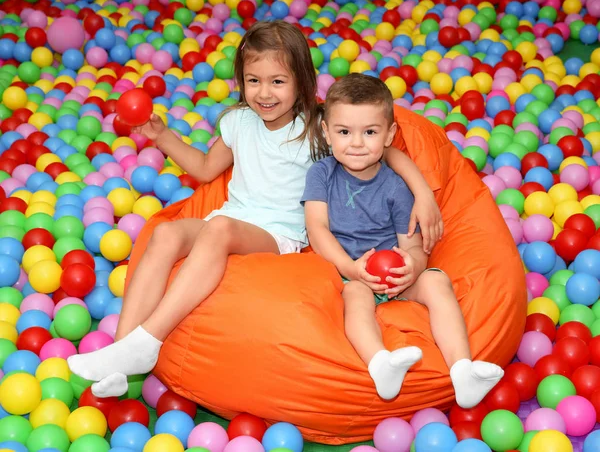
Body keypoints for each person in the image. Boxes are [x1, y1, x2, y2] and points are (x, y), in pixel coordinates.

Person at [67, 22, 443, 398]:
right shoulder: (238, 121)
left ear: (301, 82)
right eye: (253, 80)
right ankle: (123, 352)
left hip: (278, 234)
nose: (264, 93)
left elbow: (379, 149)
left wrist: (422, 192)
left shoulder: (314, 126)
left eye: (278, 81)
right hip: (231, 218)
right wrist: (162, 136)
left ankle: (149, 340)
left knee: (220, 229)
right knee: (166, 232)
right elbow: (203, 168)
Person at [301, 73, 504, 406]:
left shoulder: (396, 187)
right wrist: (351, 269)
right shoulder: (321, 174)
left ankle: (462, 369)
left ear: (389, 136)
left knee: (437, 282)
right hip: (349, 272)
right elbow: (317, 229)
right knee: (355, 296)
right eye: (343, 132)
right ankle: (380, 363)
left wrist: (413, 267)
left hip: (394, 276)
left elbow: (411, 245)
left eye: (369, 132)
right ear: (326, 132)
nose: (356, 143)